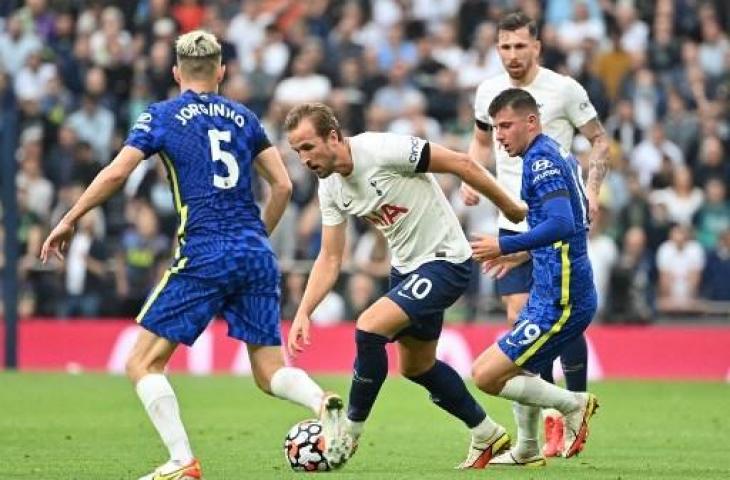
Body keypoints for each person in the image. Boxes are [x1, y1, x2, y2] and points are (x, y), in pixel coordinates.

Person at [40, 31, 349, 480]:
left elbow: (118, 173)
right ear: (222, 71)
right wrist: (258, 236)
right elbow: (282, 185)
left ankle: (182, 461)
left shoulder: (161, 116)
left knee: (142, 363)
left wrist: (70, 217)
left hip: (206, 249)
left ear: (175, 73)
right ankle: (321, 402)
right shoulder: (244, 117)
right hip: (254, 253)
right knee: (268, 371)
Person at [283, 102, 526, 469]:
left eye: (307, 147)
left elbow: (460, 163)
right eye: (297, 151)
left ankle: (350, 430)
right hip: (407, 270)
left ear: (332, 136)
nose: (303, 159)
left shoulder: (382, 150)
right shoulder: (330, 188)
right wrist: (304, 310)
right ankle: (486, 433)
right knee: (418, 367)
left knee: (368, 328)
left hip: (445, 260)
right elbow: (330, 258)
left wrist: (509, 208)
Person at [461, 11, 608, 458]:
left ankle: (569, 408)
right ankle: (528, 443)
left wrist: (592, 191)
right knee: (517, 333)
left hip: (548, 236)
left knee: (509, 359)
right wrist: (473, 176)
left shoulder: (560, 100)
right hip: (521, 224)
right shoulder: (492, 95)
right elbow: (480, 145)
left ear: (536, 46)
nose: (511, 54)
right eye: (504, 46)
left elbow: (598, 142)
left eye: (519, 45)